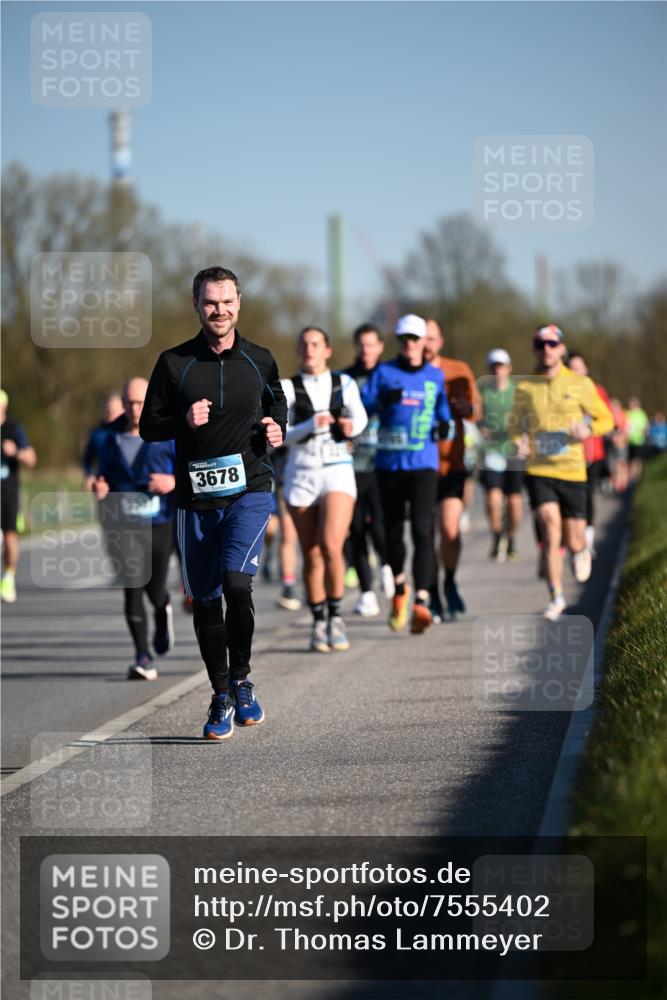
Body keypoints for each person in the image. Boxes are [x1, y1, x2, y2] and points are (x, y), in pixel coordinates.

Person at [140, 266, 286, 740]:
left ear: (238, 304)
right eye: (209, 302)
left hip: (249, 490)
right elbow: (149, 427)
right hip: (195, 501)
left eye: (226, 302)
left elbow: (277, 403)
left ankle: (242, 681)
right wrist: (183, 418)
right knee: (205, 599)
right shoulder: (174, 363)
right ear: (196, 306)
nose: (218, 310)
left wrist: (274, 426)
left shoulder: (259, 360)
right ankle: (220, 693)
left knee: (236, 584)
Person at [509, 324, 614, 621]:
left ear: (562, 349)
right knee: (549, 528)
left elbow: (605, 418)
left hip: (572, 471)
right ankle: (556, 597)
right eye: (540, 345)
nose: (546, 350)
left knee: (572, 539)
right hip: (539, 470)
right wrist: (517, 439)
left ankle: (581, 550)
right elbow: (515, 423)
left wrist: (588, 428)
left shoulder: (580, 384)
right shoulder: (526, 386)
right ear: (535, 349)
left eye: (552, 344)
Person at [362, 314, 451, 635]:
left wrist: (444, 424)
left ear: (425, 342)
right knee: (392, 534)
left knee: (424, 530)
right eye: (405, 339)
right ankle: (400, 588)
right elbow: (362, 407)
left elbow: (444, 413)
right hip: (389, 465)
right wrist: (381, 399)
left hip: (424, 464)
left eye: (415, 339)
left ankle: (422, 602)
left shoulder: (435, 376)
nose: (410, 345)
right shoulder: (384, 372)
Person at [281, 326, 368, 652]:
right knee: (311, 554)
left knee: (331, 545)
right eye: (304, 344)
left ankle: (336, 616)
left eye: (316, 344)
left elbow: (360, 418)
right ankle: (318, 621)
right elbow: (278, 434)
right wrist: (307, 425)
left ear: (327, 350)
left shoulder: (343, 384)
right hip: (301, 474)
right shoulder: (287, 388)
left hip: (336, 471)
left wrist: (350, 426)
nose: (309, 349)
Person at [93, 378, 176, 680]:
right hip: (124, 522)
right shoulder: (108, 436)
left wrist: (172, 482)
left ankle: (163, 607)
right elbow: (102, 473)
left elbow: (188, 466)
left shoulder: (167, 430)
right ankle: (143, 656)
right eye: (129, 402)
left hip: (159, 522)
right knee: (132, 586)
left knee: (155, 590)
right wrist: (99, 485)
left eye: (140, 402)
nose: (134, 409)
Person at [423, 318, 481, 620]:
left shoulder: (458, 369)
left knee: (449, 529)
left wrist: (461, 406)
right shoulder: (408, 372)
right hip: (420, 465)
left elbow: (476, 411)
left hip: (452, 463)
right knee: (426, 533)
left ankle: (449, 581)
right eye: (423, 338)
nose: (427, 344)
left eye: (432, 338)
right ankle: (432, 592)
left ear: (440, 341)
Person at [343, 323, 394, 617]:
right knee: (355, 529)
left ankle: (387, 565)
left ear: (380, 346)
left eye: (371, 344)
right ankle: (366, 592)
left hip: (383, 461)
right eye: (361, 344)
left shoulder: (389, 376)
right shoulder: (345, 379)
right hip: (352, 464)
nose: (366, 349)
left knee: (380, 525)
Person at [477, 349, 524, 561]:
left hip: (514, 451)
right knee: (493, 499)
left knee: (514, 502)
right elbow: (475, 415)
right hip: (492, 451)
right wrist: (480, 426)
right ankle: (497, 536)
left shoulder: (518, 391)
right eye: (494, 366)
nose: (498, 370)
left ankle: (511, 539)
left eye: (501, 366)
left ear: (509, 368)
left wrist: (525, 439)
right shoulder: (483, 392)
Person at [566, 352, 614, 555]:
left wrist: (589, 427)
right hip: (568, 454)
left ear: (586, 369)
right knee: (571, 498)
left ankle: (587, 539)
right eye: (571, 368)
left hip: (593, 452)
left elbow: (608, 420)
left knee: (587, 495)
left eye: (578, 367)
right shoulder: (562, 389)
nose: (575, 372)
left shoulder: (597, 391)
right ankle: (571, 539)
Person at [1, 389, 36, 603]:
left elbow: (31, 459)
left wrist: (15, 452)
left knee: (9, 536)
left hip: (7, 491)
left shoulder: (14, 429)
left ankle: (9, 576)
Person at [82, 391, 124, 491]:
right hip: (104, 486)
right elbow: (87, 459)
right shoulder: (97, 434)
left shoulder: (132, 432)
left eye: (114, 412)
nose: (110, 415)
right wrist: (90, 475)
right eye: (108, 411)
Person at [626, 397, 649, 481]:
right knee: (631, 460)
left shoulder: (641, 414)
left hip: (639, 441)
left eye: (632, 404)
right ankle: (632, 477)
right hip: (629, 441)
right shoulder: (627, 413)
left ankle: (637, 476)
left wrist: (645, 433)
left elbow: (646, 426)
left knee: (637, 460)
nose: (631, 405)